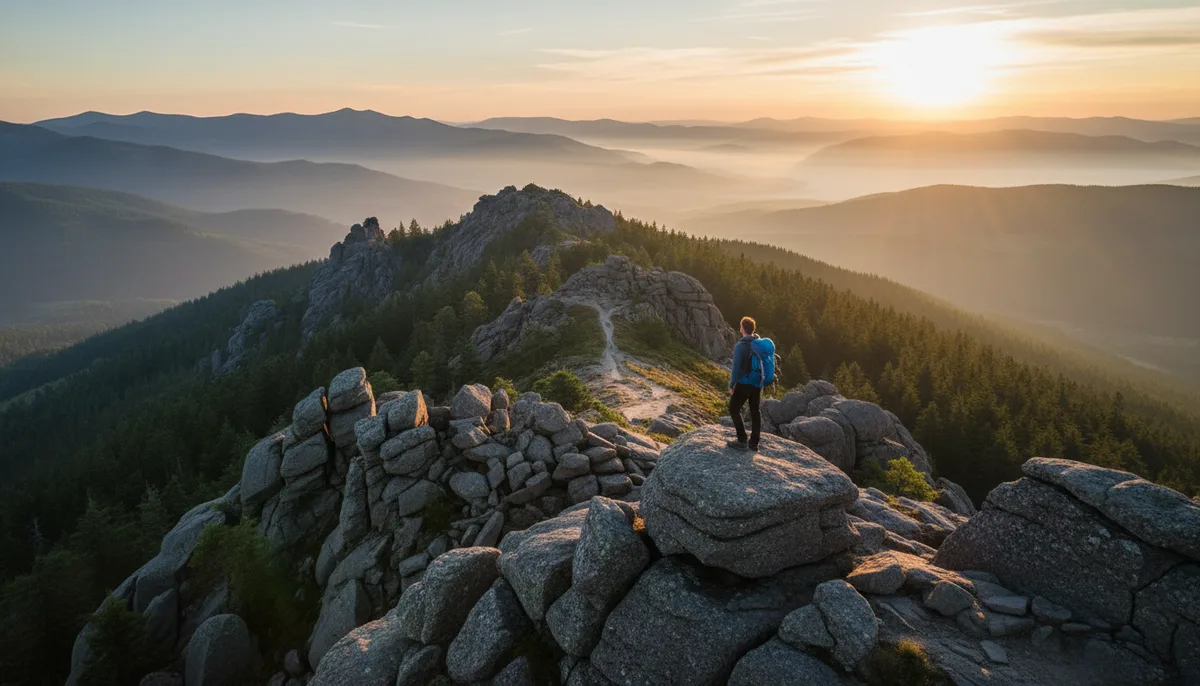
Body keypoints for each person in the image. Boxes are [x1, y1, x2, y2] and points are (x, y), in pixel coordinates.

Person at [728, 316, 775, 451]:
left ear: (742, 328)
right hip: (757, 383)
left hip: (744, 383)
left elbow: (736, 368)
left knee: (733, 409)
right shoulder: (759, 344)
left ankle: (742, 439)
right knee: (755, 411)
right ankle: (754, 443)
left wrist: (732, 385)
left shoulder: (741, 346)